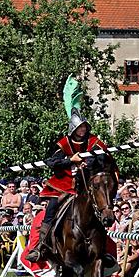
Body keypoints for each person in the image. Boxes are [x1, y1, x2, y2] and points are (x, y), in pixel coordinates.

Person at [25, 107, 108, 263]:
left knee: (101, 209)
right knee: (51, 208)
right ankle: (40, 246)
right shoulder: (65, 143)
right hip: (64, 184)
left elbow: (102, 158)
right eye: (79, 127)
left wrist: (88, 163)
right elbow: (52, 162)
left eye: (84, 127)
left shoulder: (93, 142)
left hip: (86, 185)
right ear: (73, 129)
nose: (82, 130)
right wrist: (71, 160)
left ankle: (102, 250)